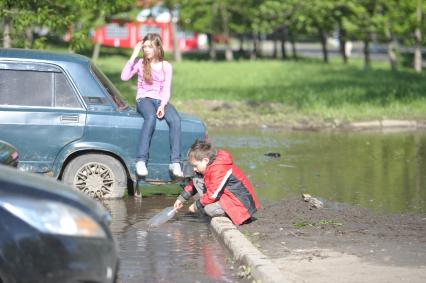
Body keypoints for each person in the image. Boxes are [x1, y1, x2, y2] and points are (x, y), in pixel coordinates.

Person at [121, 33, 183, 177]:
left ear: (157, 47)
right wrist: (133, 55)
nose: (147, 50)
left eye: (150, 47)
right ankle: (141, 161)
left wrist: (162, 105)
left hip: (160, 99)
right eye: (145, 47)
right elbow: (124, 77)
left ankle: (175, 162)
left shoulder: (166, 66)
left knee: (175, 120)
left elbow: (166, 89)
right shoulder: (140, 63)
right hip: (144, 99)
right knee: (150, 118)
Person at [174, 140, 260, 226]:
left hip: (242, 204)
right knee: (197, 179)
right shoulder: (208, 166)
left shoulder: (219, 169)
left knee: (209, 209)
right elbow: (194, 183)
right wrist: (181, 198)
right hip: (226, 196)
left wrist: (196, 206)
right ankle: (214, 208)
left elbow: (212, 195)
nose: (194, 169)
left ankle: (232, 215)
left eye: (195, 166)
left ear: (205, 160)